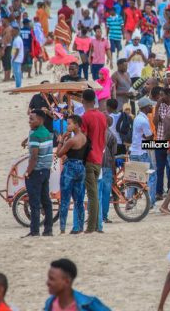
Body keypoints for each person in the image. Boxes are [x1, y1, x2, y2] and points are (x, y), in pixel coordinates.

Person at [22, 110, 54, 237]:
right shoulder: (46, 132)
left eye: (32, 119)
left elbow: (34, 157)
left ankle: (35, 231)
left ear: (40, 120)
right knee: (46, 201)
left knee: (34, 202)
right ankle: (48, 229)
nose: (29, 121)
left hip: (36, 172)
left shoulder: (35, 135)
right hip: (46, 170)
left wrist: (27, 172)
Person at [80, 89, 107, 233]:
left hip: (89, 158)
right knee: (95, 192)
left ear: (83, 100)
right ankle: (97, 225)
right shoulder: (102, 116)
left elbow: (83, 138)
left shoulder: (85, 117)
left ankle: (91, 227)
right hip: (99, 157)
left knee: (92, 194)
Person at [55, 115, 87, 234]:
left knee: (65, 200)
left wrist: (62, 139)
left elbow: (58, 154)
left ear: (77, 124)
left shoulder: (72, 140)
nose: (67, 126)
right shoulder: (83, 137)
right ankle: (80, 227)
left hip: (70, 168)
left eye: (69, 124)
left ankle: (62, 229)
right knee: (79, 200)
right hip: (81, 168)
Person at [44, 259, 111, 311]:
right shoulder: (49, 303)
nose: (47, 282)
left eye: (52, 279)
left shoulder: (88, 304)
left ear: (67, 281)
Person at [130, 97, 158, 205]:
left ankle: (131, 200)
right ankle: (151, 201)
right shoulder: (144, 120)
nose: (152, 107)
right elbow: (150, 137)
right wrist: (149, 136)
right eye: (150, 106)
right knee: (152, 175)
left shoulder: (137, 118)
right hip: (142, 153)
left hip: (134, 152)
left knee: (134, 177)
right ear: (145, 107)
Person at [98, 116, 117, 228]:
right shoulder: (112, 136)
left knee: (96, 192)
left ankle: (95, 215)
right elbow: (113, 156)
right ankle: (104, 216)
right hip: (107, 166)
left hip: (95, 165)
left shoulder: (95, 133)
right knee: (105, 193)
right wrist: (114, 172)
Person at [10, 22, 24, 88]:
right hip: (17, 58)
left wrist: (14, 59)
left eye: (12, 31)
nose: (11, 32)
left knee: (17, 74)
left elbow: (17, 50)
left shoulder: (17, 39)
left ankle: (18, 87)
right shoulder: (16, 39)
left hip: (17, 59)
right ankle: (18, 86)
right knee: (17, 73)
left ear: (16, 31)